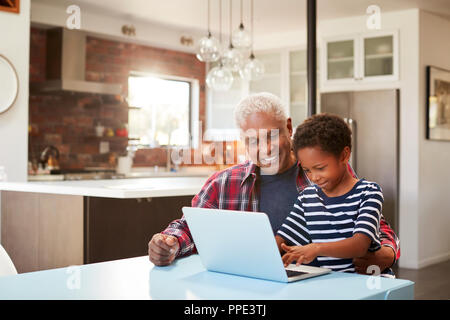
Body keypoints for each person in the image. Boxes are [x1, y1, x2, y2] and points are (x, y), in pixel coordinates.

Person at [148, 92, 400, 275]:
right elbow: (190, 227)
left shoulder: (325, 173)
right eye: (253, 141)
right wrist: (169, 242)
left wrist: (387, 254)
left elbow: (379, 227)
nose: (265, 149)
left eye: (272, 136)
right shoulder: (223, 184)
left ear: (288, 128)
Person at [276, 113, 394, 276]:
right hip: (334, 282)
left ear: (344, 155)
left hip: (370, 282)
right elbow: (283, 238)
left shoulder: (369, 192)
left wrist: (316, 249)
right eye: (307, 170)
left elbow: (359, 246)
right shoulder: (307, 198)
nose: (314, 177)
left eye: (321, 168)